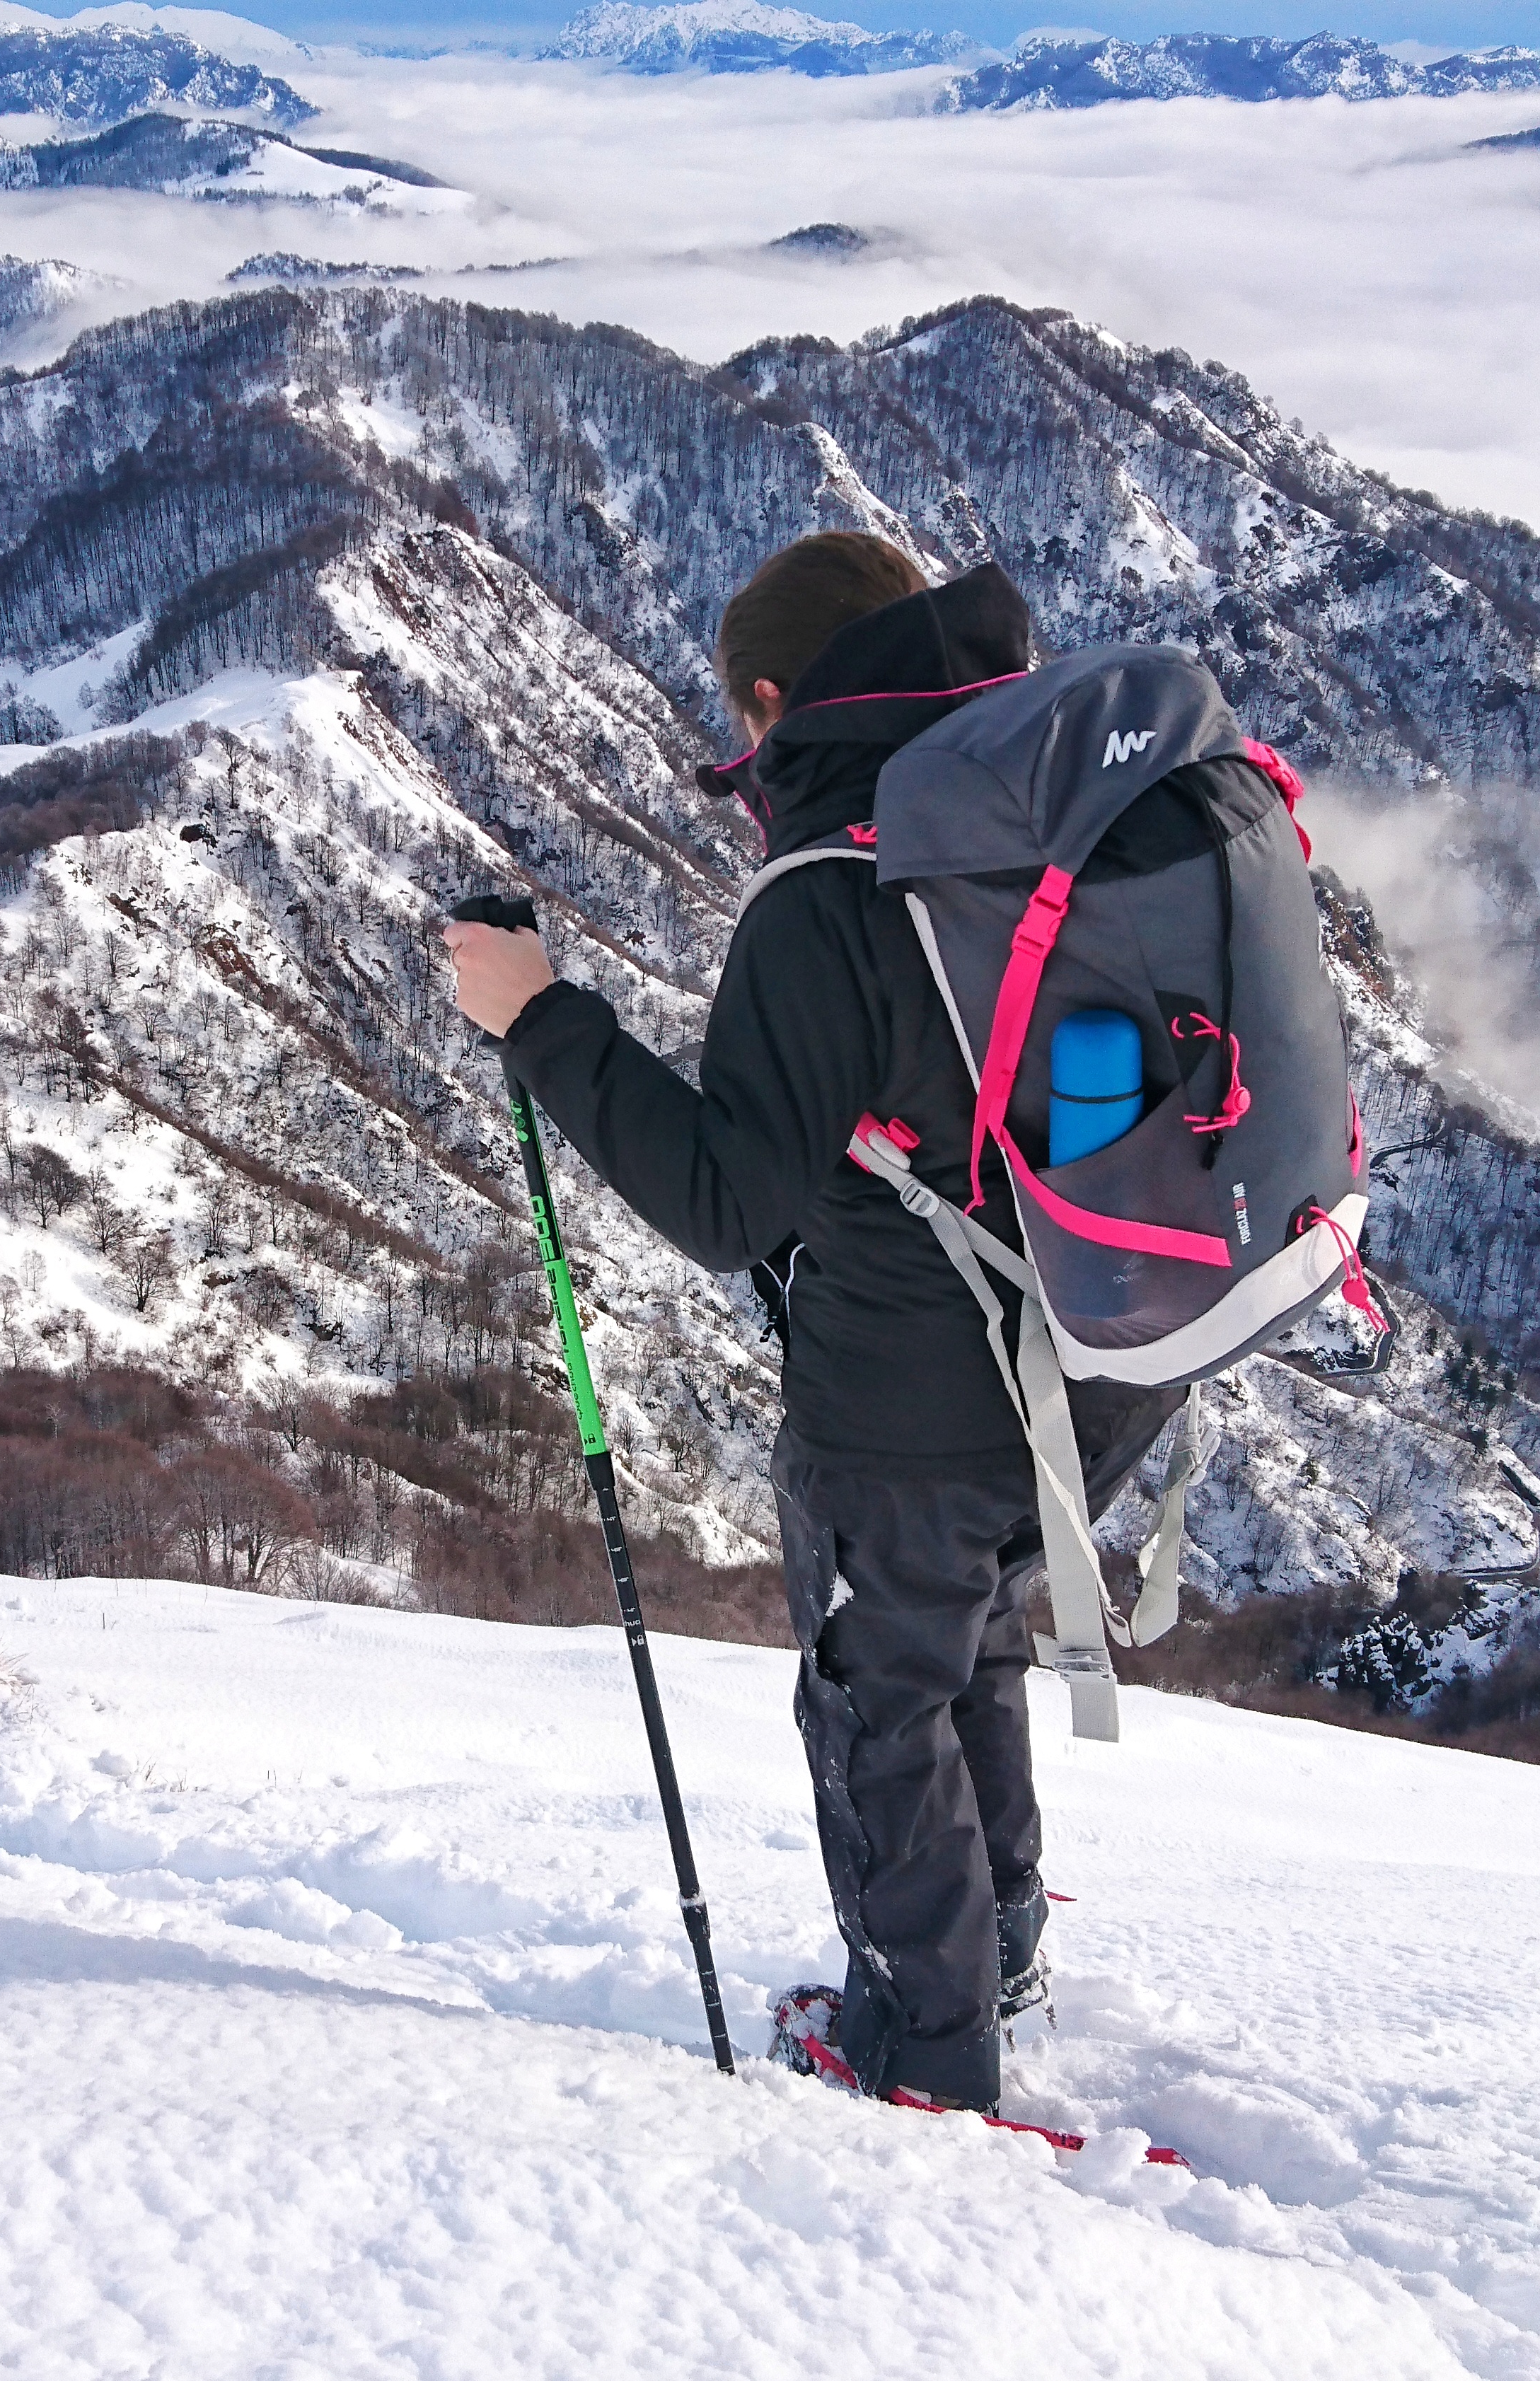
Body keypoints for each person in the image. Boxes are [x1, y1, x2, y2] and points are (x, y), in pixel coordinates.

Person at [441, 531, 1181, 2114]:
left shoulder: (837, 887)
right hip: (1104, 1354)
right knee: (967, 1643)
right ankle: (993, 1962)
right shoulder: (1062, 804)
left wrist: (539, 1018)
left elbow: (727, 1201)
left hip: (913, 1395)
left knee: (873, 1694)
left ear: (775, 700)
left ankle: (921, 2054)